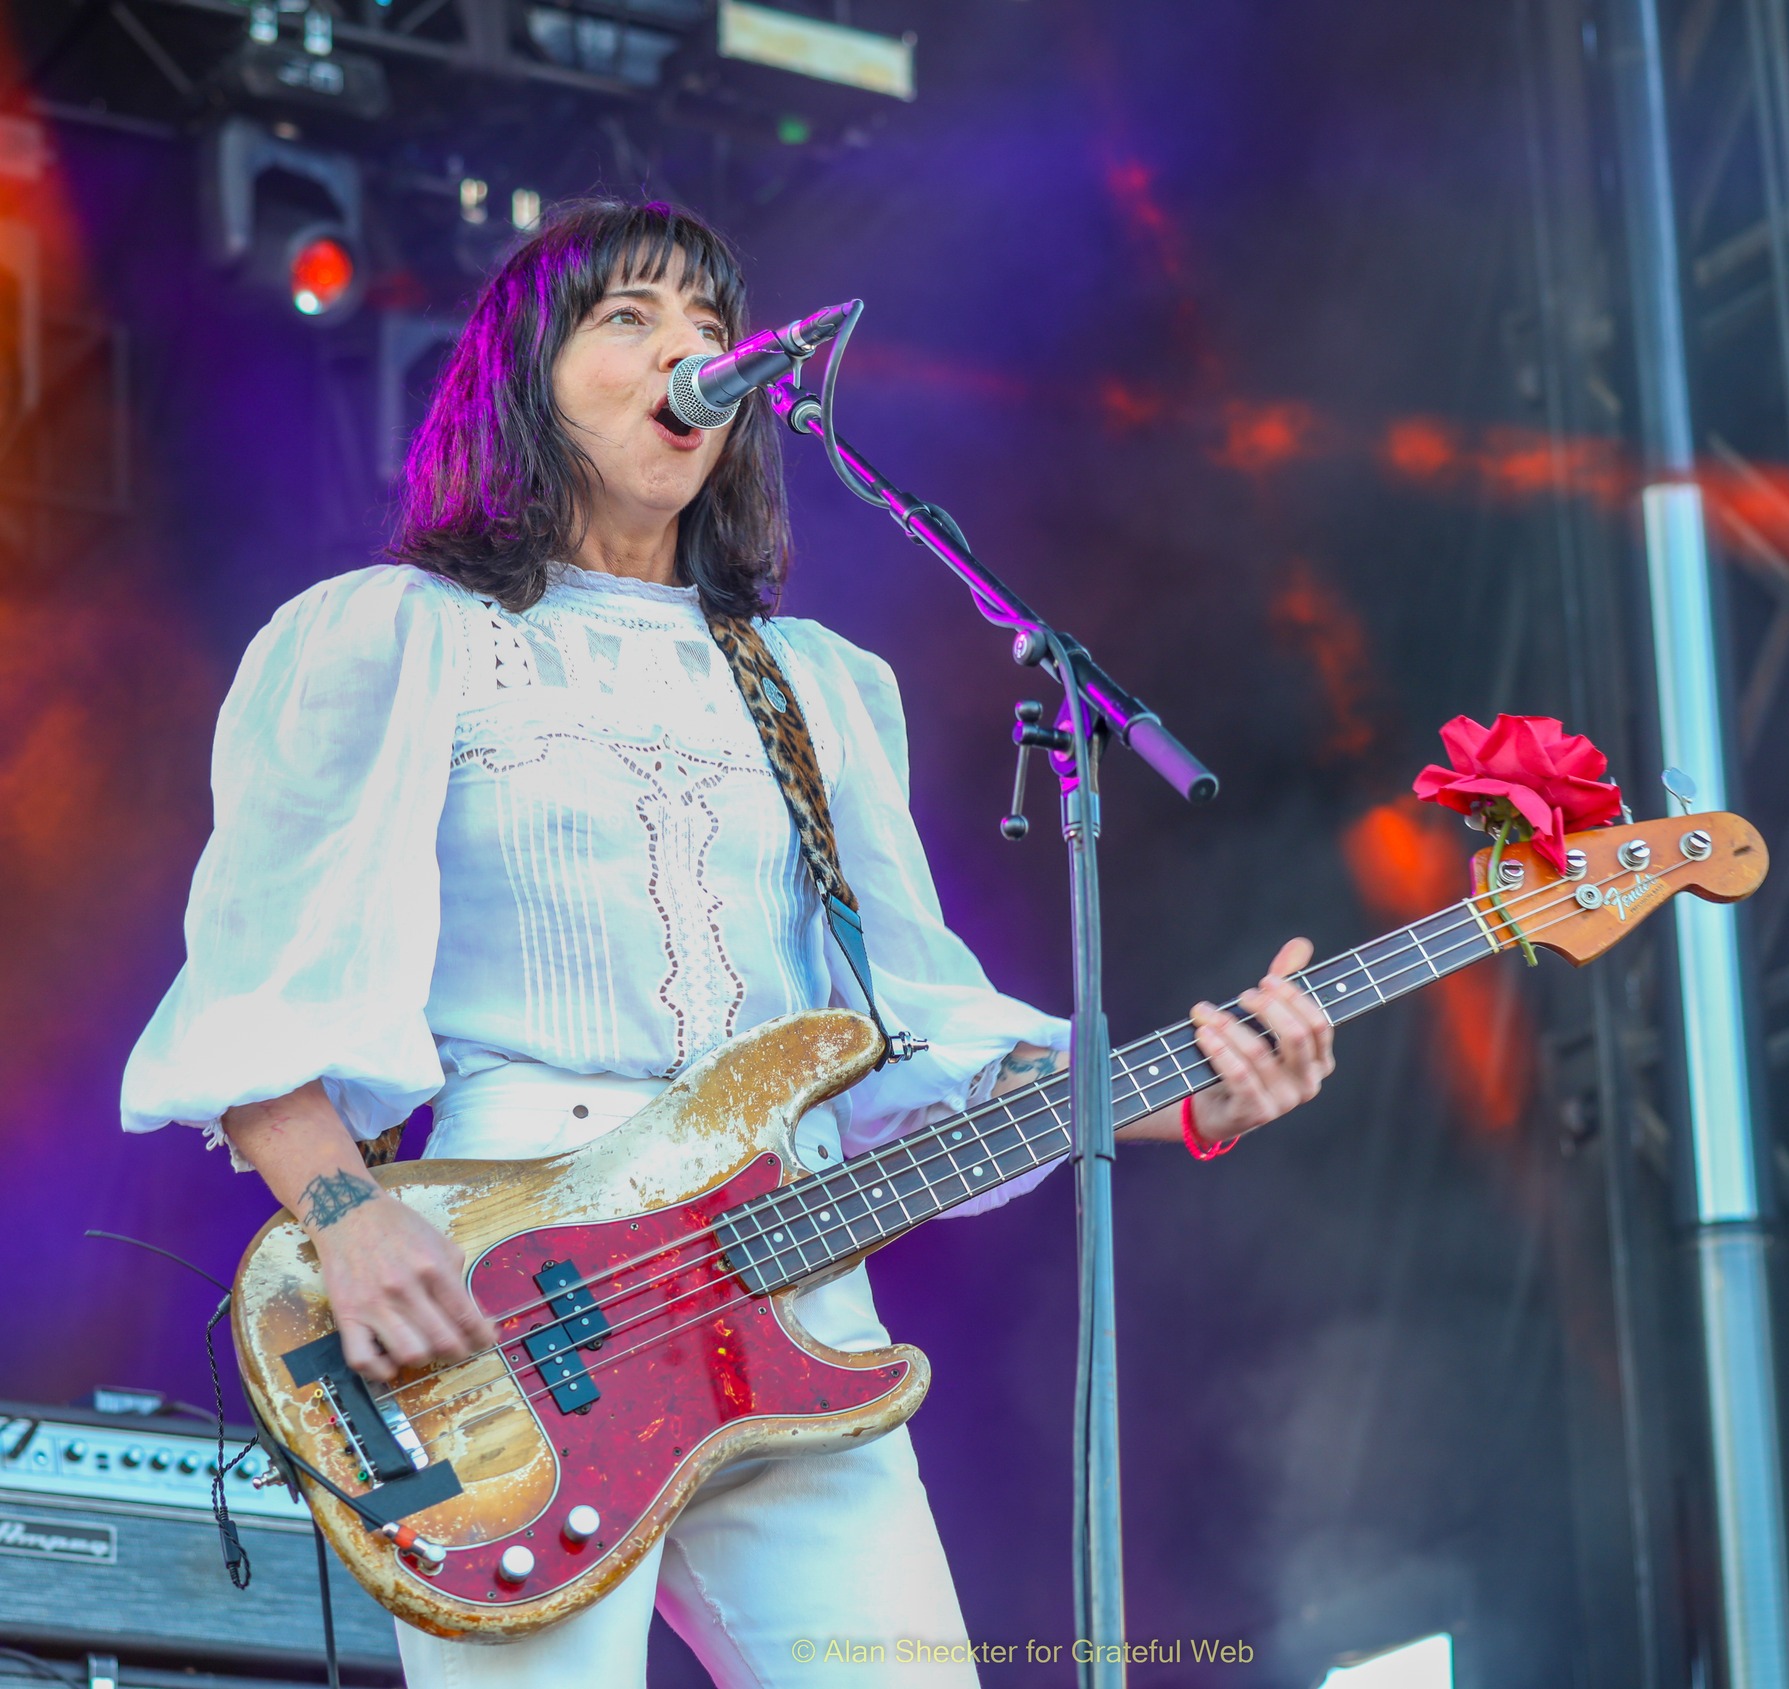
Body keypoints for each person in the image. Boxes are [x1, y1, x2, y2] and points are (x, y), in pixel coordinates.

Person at [120, 200, 1335, 1689]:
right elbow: (259, 993)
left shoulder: (813, 685)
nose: (688, 354)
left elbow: (920, 1033)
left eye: (710, 330)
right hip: (515, 1303)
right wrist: (349, 1219)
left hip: (792, 1309)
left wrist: (1192, 1094)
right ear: (523, 375)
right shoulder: (397, 633)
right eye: (629, 319)